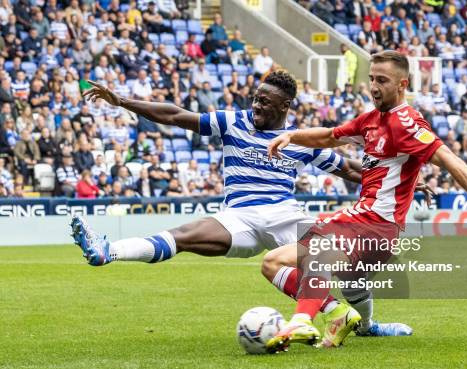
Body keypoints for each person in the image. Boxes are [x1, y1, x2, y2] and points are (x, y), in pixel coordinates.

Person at [73, 69, 432, 335]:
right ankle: (108, 252)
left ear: (285, 106)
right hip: (238, 216)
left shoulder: (299, 140)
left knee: (345, 267)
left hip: (284, 216)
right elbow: (174, 115)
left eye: (264, 101)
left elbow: (353, 169)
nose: (256, 105)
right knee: (183, 234)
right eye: (256, 99)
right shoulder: (233, 122)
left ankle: (365, 324)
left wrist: (409, 185)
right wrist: (121, 101)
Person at [263, 51, 467, 353]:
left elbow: (448, 159)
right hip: (376, 230)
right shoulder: (370, 121)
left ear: (402, 84)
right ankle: (364, 326)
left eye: (382, 80)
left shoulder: (405, 123)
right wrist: (291, 136)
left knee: (289, 260)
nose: (374, 86)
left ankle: (306, 318)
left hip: (372, 223)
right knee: (336, 276)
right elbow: (328, 136)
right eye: (371, 79)